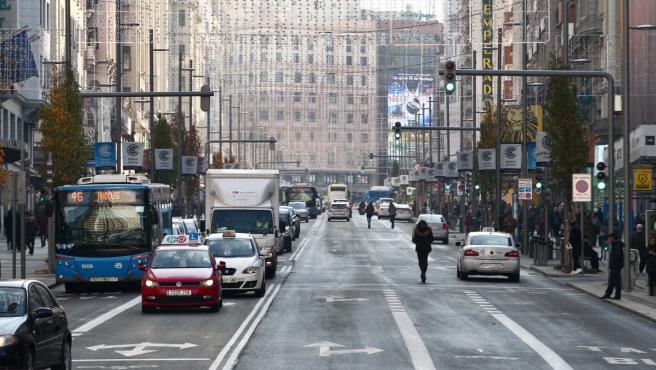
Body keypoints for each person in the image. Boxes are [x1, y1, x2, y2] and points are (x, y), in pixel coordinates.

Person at [602, 232, 624, 300]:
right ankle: (608, 294)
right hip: (615, 266)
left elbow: (617, 257)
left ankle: (617, 295)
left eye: (609, 239)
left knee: (616, 282)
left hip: (616, 267)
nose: (608, 240)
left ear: (612, 238)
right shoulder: (615, 244)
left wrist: (614, 265)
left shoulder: (617, 245)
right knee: (611, 281)